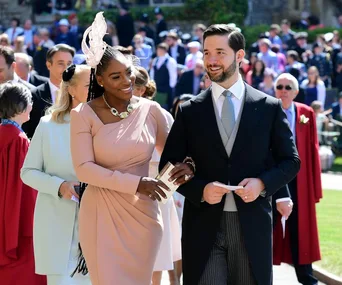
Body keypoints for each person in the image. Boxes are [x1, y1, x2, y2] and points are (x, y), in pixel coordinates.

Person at [159, 24, 301, 285]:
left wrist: (262, 184)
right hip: (203, 228)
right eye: (206, 53)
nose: (211, 60)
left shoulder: (268, 107)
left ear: (239, 56)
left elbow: (291, 161)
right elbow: (167, 166)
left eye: (220, 53)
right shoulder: (190, 111)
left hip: (252, 227)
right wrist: (200, 190)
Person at [69, 12, 192, 285]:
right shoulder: (83, 114)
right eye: (116, 76)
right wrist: (137, 184)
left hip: (145, 217)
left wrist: (187, 165)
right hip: (101, 215)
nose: (127, 81)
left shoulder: (152, 110)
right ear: (100, 81)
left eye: (129, 72)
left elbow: (175, 154)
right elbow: (84, 169)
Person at [21, 64, 91, 285]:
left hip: (99, 229)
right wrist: (60, 186)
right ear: (71, 90)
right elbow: (28, 172)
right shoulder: (48, 125)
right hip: (58, 230)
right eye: (90, 85)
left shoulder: (107, 126)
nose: (97, 90)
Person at [133, 66, 182, 285]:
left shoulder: (162, 115)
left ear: (142, 89)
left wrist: (165, 191)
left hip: (158, 191)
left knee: (158, 255)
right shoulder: (115, 113)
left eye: (130, 83)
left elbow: (174, 158)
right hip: (127, 190)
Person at [273, 73, 322, 285]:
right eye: (279, 86)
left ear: (295, 92)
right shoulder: (267, 109)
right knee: (268, 228)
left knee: (300, 229)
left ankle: (306, 277)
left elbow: (313, 149)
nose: (283, 90)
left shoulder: (306, 113)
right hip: (274, 178)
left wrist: (315, 187)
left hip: (299, 181)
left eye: (287, 87)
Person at [0, 82, 46, 285]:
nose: (31, 107)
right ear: (20, 106)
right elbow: (25, 185)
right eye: (29, 103)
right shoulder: (18, 140)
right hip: (16, 213)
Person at [22, 43, 75, 138]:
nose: (66, 68)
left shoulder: (79, 94)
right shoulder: (33, 95)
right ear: (48, 65)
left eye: (69, 64)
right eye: (60, 63)